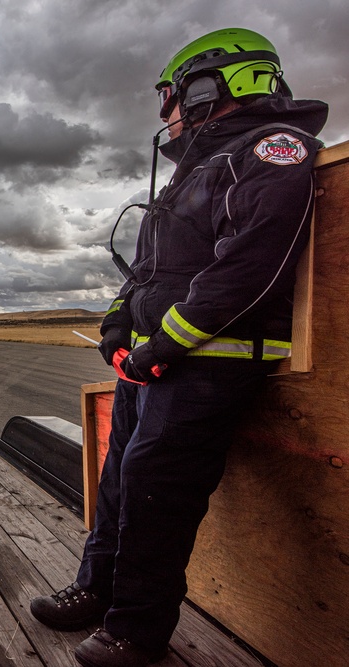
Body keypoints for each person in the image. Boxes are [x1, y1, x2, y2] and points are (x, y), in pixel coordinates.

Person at [28, 28, 328, 667]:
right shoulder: (190, 175)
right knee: (117, 480)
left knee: (157, 488)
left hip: (206, 364)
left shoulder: (274, 150)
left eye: (170, 96)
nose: (164, 113)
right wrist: (118, 329)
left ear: (209, 86)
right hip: (148, 364)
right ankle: (97, 588)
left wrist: (165, 343)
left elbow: (249, 266)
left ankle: (137, 629)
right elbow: (144, 275)